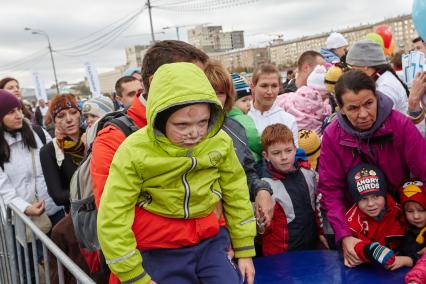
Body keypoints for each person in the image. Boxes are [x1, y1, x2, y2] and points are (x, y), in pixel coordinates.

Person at [97, 62, 256, 284]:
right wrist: (134, 275)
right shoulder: (134, 150)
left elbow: (236, 190)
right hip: (160, 251)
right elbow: (113, 214)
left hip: (210, 242)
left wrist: (245, 249)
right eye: (182, 125)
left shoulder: (219, 140)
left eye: (202, 122)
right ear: (159, 119)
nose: (194, 133)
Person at [90, 40, 210, 283]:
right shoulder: (114, 138)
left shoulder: (203, 124)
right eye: (191, 77)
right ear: (156, 81)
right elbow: (113, 218)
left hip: (205, 259)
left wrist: (219, 238)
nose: (203, 86)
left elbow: (217, 184)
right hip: (150, 269)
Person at [318, 70, 426, 268]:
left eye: (369, 103)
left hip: (400, 221)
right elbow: (330, 191)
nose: (363, 114)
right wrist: (345, 236)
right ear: (340, 109)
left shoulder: (400, 125)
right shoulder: (333, 136)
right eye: (353, 108)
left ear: (376, 97)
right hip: (358, 226)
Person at [0, 90, 63, 282]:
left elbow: (56, 162)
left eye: (19, 109)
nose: (18, 115)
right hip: (22, 220)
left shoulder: (36, 132)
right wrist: (26, 208)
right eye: (10, 112)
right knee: (30, 273)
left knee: (63, 265)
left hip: (53, 209)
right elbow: (3, 189)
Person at [204, 60, 274, 229]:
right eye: (209, 91)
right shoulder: (184, 135)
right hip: (206, 228)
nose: (214, 99)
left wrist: (262, 190)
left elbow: (248, 172)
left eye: (220, 93)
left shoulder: (235, 128)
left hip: (238, 225)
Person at [259, 124, 326, 256]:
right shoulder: (264, 187)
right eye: (276, 153)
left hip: (311, 249)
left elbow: (317, 208)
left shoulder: (308, 174)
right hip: (280, 256)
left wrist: (322, 233)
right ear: (266, 155)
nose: (284, 157)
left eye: (288, 150)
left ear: (295, 149)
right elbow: (263, 229)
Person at [345, 163, 406, 269]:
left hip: (400, 268)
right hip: (368, 273)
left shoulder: (400, 212)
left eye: (376, 196)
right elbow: (353, 247)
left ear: (384, 195)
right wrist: (372, 251)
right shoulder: (352, 219)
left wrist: (408, 259)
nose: (371, 204)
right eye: (364, 199)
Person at [346, 39, 409, 114]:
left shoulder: (385, 87)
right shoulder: (383, 77)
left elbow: (384, 121)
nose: (352, 72)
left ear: (364, 65)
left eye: (353, 67)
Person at [248, 64, 299, 146]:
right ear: (253, 86)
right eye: (264, 86)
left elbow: (294, 155)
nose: (269, 92)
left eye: (274, 86)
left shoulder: (288, 120)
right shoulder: (242, 116)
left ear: (280, 87)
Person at [228, 73, 263, 162]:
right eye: (244, 100)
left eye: (249, 100)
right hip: (253, 161)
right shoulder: (243, 119)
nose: (248, 104)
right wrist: (263, 148)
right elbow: (254, 138)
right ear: (231, 102)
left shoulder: (224, 119)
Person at [398, 181, 426, 271]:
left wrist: (407, 260)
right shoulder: (404, 229)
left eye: (421, 210)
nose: (416, 216)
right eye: (410, 211)